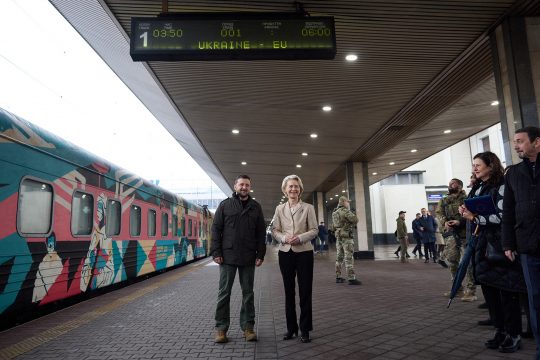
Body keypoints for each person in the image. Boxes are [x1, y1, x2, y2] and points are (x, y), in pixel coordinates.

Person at [460, 151, 526, 353]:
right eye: (473, 165)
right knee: (491, 293)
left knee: (507, 293)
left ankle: (514, 334)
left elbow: (503, 216)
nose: (474, 169)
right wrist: (465, 213)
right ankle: (500, 331)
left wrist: (475, 218)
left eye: (478, 165)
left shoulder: (502, 186)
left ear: (491, 165)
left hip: (499, 246)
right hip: (482, 246)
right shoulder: (478, 187)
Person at [210, 175, 266, 344]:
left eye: (247, 185)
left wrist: (260, 254)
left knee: (248, 293)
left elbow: (261, 233)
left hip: (248, 256)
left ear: (250, 187)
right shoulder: (225, 205)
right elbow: (216, 229)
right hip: (227, 256)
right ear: (235, 186)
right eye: (241, 184)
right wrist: (216, 252)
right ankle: (221, 329)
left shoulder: (256, 207)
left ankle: (248, 328)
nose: (244, 187)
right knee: (224, 293)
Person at [502, 126, 540, 359]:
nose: (516, 146)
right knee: (535, 299)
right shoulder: (513, 173)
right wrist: (508, 244)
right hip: (528, 245)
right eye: (515, 141)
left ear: (537, 142)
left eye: (520, 141)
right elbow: (508, 211)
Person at [272, 174, 318, 343]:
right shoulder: (279, 209)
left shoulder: (308, 208)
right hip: (285, 253)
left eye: (296, 186)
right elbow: (275, 230)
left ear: (300, 190)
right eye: (290, 186)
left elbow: (314, 230)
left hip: (304, 253)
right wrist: (284, 238)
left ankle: (305, 329)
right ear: (285, 190)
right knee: (288, 292)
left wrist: (300, 238)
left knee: (305, 291)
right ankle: (291, 329)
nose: (293, 189)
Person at [436, 178, 477, 301]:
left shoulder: (467, 198)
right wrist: (445, 222)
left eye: (452, 183)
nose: (450, 185)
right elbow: (439, 213)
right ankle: (457, 288)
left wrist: (460, 221)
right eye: (449, 184)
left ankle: (470, 291)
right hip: (452, 235)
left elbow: (473, 214)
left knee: (468, 263)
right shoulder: (444, 200)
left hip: (466, 234)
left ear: (459, 186)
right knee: (452, 260)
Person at [332, 196, 363, 282]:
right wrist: (351, 214)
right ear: (343, 202)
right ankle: (351, 278)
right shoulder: (345, 211)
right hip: (346, 237)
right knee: (349, 257)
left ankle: (338, 276)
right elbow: (355, 219)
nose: (348, 203)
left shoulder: (335, 212)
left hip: (338, 237)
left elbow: (333, 226)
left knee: (339, 257)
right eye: (347, 202)